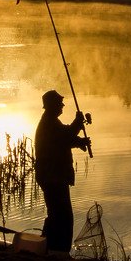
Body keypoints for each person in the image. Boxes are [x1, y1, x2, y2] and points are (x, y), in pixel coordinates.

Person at [34, 89, 91, 252]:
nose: (63, 105)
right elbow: (64, 136)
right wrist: (78, 123)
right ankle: (57, 250)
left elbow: (62, 139)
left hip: (53, 175)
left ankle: (49, 247)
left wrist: (80, 142)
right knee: (62, 216)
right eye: (60, 103)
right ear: (52, 105)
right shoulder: (49, 123)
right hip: (52, 176)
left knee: (57, 214)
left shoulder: (51, 122)